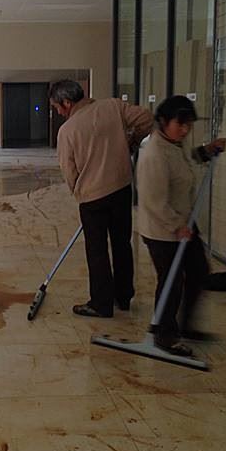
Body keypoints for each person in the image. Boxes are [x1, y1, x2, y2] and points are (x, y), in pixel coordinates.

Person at [51, 79, 154, 318]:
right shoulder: (113, 107)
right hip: (121, 189)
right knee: (122, 244)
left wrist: (78, 190)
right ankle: (123, 296)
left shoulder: (68, 130)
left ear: (66, 103)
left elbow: (68, 169)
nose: (58, 113)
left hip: (92, 198)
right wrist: (130, 142)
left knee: (97, 250)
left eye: (57, 107)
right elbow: (147, 119)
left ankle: (101, 303)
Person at [136, 95, 226, 356]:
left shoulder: (175, 143)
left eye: (189, 124)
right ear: (163, 121)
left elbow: (187, 159)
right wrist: (177, 225)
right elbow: (153, 201)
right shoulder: (154, 154)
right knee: (171, 282)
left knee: (199, 271)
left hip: (184, 223)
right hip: (162, 230)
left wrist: (206, 151)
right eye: (180, 124)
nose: (185, 129)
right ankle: (164, 335)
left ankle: (185, 326)